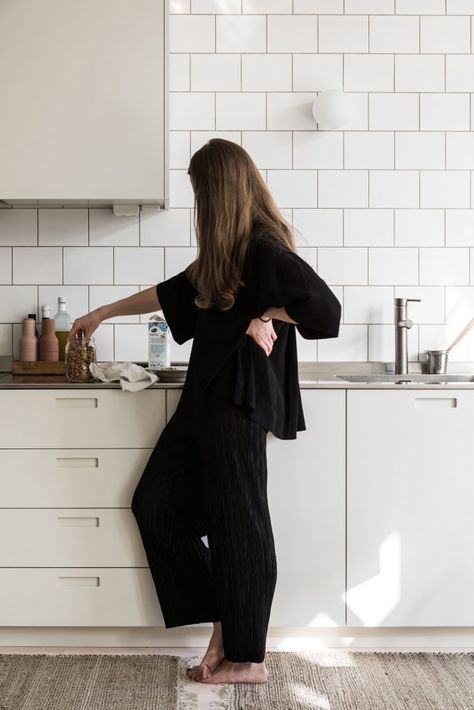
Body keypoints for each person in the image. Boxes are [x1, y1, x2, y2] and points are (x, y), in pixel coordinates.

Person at [68, 138, 342, 685]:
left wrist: (263, 309)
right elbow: (175, 293)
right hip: (204, 400)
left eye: (199, 191)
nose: (198, 203)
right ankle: (229, 619)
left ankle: (249, 658)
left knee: (241, 525)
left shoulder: (265, 248)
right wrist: (103, 312)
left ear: (218, 191)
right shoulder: (230, 252)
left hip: (237, 404)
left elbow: (326, 312)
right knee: (157, 505)